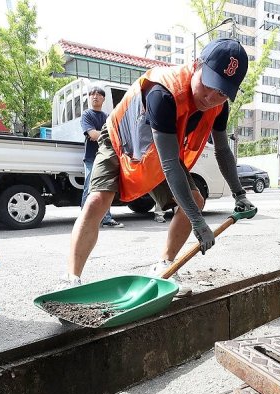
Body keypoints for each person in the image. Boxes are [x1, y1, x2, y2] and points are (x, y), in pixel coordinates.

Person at [62, 38, 256, 296]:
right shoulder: (163, 92)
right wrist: (199, 224)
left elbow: (222, 150)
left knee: (195, 201)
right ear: (197, 65)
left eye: (222, 91)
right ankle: (71, 279)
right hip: (122, 139)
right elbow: (167, 164)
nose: (211, 97)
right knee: (97, 199)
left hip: (161, 148)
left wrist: (240, 194)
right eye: (208, 84)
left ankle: (163, 268)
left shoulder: (219, 106)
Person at [80, 84, 122, 228]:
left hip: (106, 157)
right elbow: (92, 135)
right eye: (92, 94)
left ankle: (106, 219)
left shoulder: (107, 117)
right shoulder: (87, 115)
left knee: (105, 189)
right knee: (90, 188)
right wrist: (107, 135)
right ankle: (84, 219)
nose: (95, 97)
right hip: (92, 157)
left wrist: (103, 135)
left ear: (103, 98)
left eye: (98, 94)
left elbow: (115, 136)